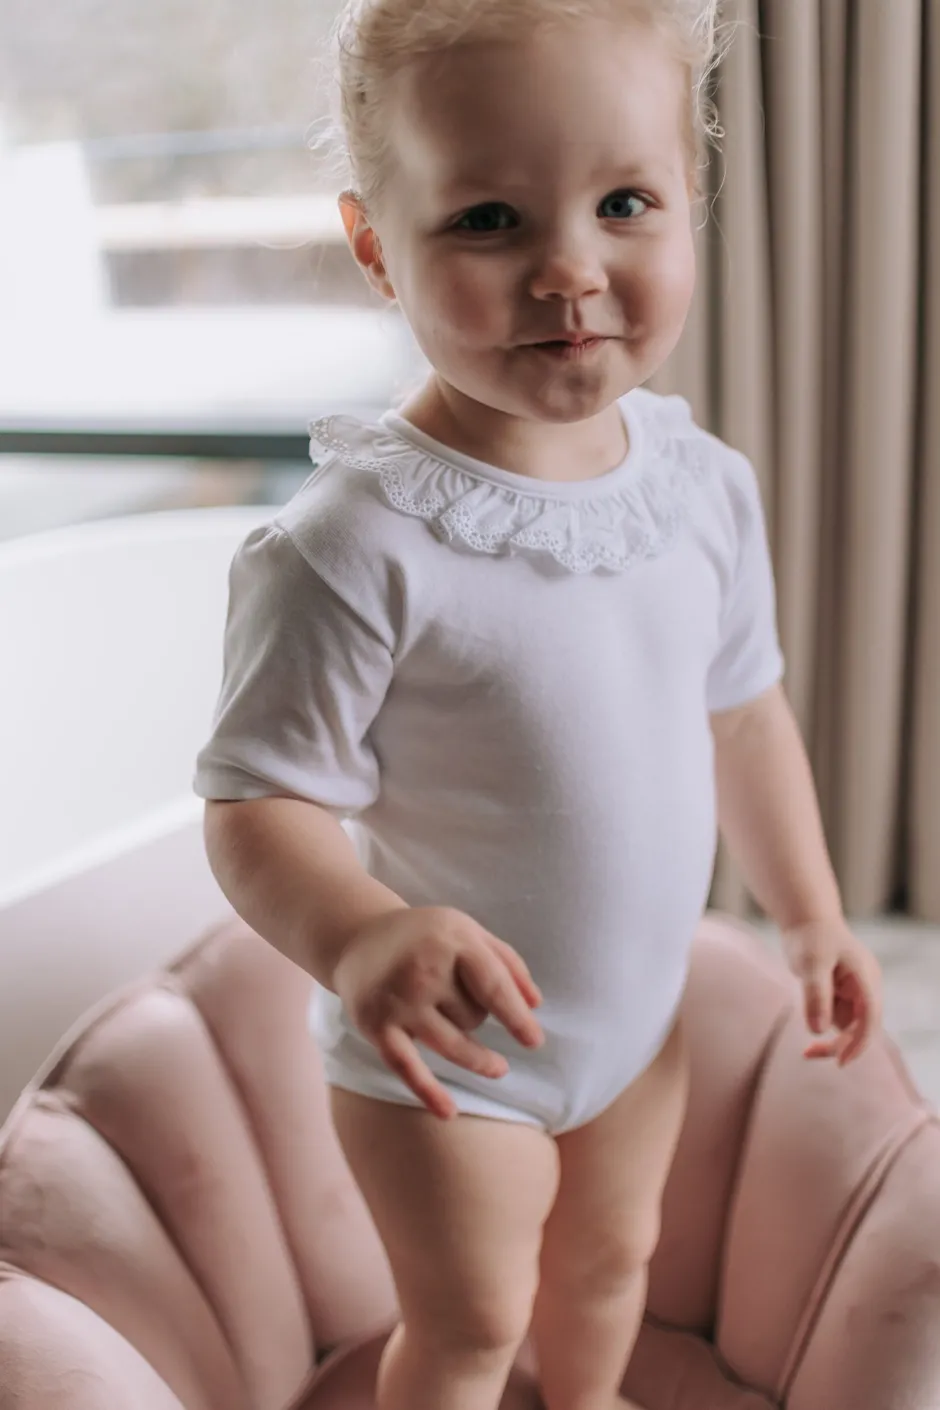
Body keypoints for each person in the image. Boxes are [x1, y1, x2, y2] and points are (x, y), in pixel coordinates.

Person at [194, 3, 884, 1407]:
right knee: (469, 1324)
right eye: (490, 220)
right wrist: (361, 933)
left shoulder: (703, 490)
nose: (570, 269)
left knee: (611, 1264)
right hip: (452, 1060)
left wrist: (812, 913)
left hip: (638, 1022)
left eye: (624, 203)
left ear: (690, 199)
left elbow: (745, 713)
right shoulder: (351, 543)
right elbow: (257, 804)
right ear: (377, 246)